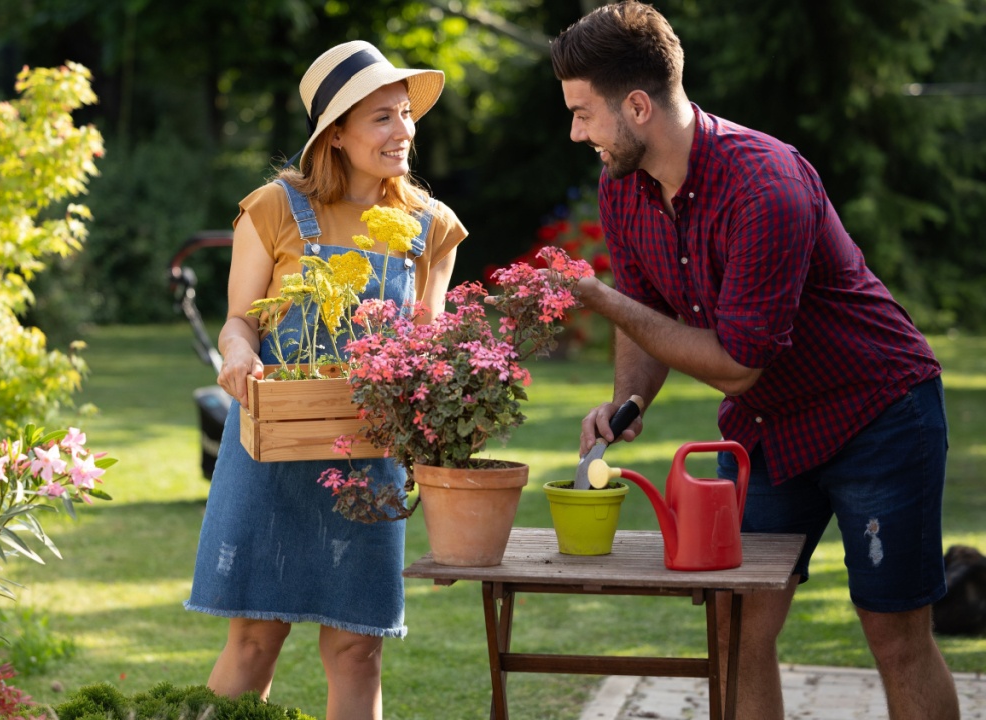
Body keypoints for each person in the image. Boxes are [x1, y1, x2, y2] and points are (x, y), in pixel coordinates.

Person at [550, 3, 960, 719]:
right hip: (768, 431)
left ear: (638, 105)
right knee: (734, 626)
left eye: (584, 113)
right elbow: (648, 307)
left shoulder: (764, 185)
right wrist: (629, 401)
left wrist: (599, 299)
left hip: (877, 415)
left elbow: (738, 364)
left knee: (894, 635)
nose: (576, 131)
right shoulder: (624, 187)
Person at [184, 40, 467, 720]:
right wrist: (235, 354)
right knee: (254, 639)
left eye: (405, 114)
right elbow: (238, 324)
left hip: (367, 457)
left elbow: (424, 351)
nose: (403, 132)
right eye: (381, 118)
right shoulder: (275, 209)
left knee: (357, 650)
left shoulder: (430, 229)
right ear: (335, 134)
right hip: (271, 448)